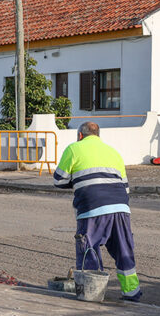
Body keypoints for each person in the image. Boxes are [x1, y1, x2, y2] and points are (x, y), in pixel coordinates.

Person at [53, 121, 141, 302]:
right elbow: (125, 188)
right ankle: (131, 294)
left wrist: (76, 180)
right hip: (121, 209)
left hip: (91, 208)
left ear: (80, 136)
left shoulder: (74, 149)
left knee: (89, 250)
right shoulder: (113, 152)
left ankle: (92, 295)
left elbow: (59, 180)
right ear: (98, 136)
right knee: (124, 250)